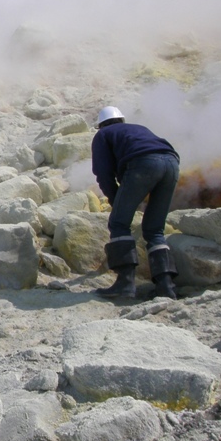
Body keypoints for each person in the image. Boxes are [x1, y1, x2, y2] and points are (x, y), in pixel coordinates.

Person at [91, 107, 180, 301]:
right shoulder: (137, 128)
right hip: (172, 163)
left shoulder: (103, 135)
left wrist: (117, 201)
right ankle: (166, 286)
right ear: (122, 120)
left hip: (144, 163)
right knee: (155, 230)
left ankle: (125, 283)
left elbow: (103, 173)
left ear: (101, 125)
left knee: (119, 223)